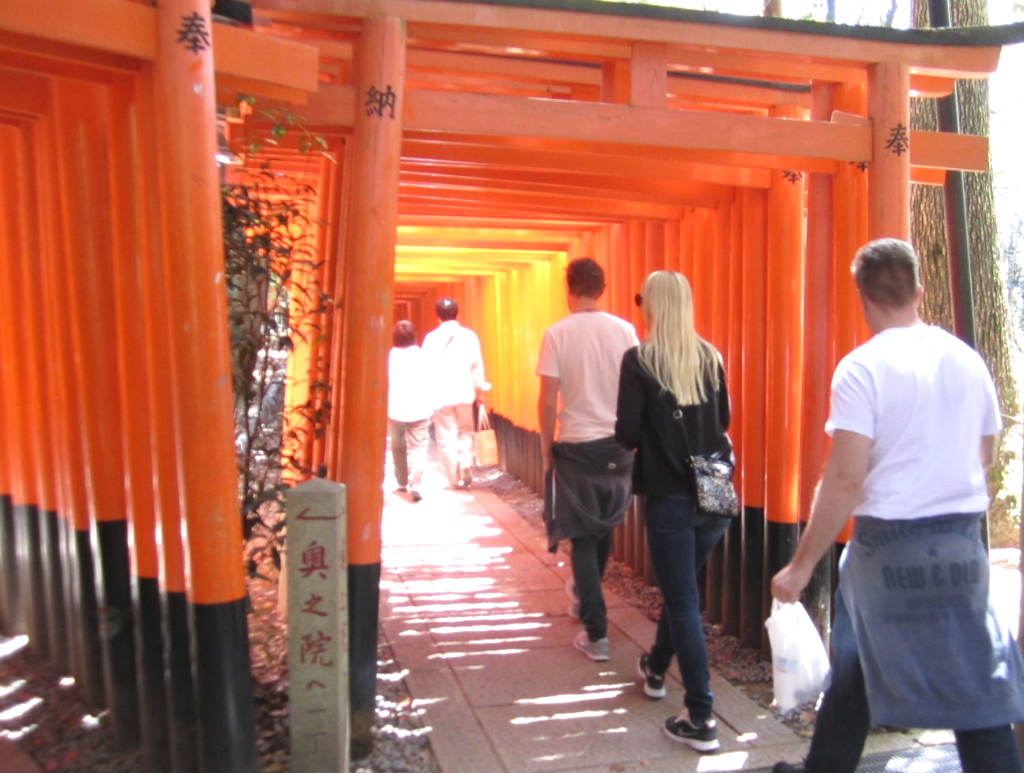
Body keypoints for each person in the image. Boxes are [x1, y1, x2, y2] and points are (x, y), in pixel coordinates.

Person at [771, 238, 1024, 773]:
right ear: (918, 290)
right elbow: (986, 449)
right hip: (960, 543)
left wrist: (801, 565)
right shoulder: (966, 360)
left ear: (862, 296)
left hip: (887, 545)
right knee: (966, 679)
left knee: (869, 660)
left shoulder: (862, 368)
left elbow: (844, 477)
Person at [614, 270, 734, 753]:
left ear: (653, 306)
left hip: (670, 493)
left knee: (683, 599)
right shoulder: (711, 356)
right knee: (683, 589)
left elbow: (626, 433)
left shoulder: (640, 360)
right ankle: (656, 668)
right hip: (716, 490)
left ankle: (702, 716)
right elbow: (723, 421)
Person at [538, 257, 638, 663]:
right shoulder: (625, 331)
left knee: (581, 534)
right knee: (601, 527)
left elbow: (547, 400)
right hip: (616, 444)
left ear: (569, 289)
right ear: (602, 288)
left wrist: (547, 448)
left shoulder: (557, 333)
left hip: (576, 443)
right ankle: (583, 599)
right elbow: (638, 389)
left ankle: (596, 632)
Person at [421, 298, 488, 489]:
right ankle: (465, 463)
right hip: (464, 392)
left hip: (441, 396)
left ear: (437, 317)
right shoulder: (469, 336)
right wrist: (480, 391)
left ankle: (452, 477)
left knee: (445, 436)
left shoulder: (431, 338)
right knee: (465, 432)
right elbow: (477, 366)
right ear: (457, 313)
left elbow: (425, 369)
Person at [387, 320, 432, 502]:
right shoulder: (421, 355)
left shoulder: (390, 355)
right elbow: (430, 379)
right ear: (414, 336)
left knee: (398, 446)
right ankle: (416, 483)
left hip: (396, 408)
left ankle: (402, 481)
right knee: (418, 447)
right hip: (419, 408)